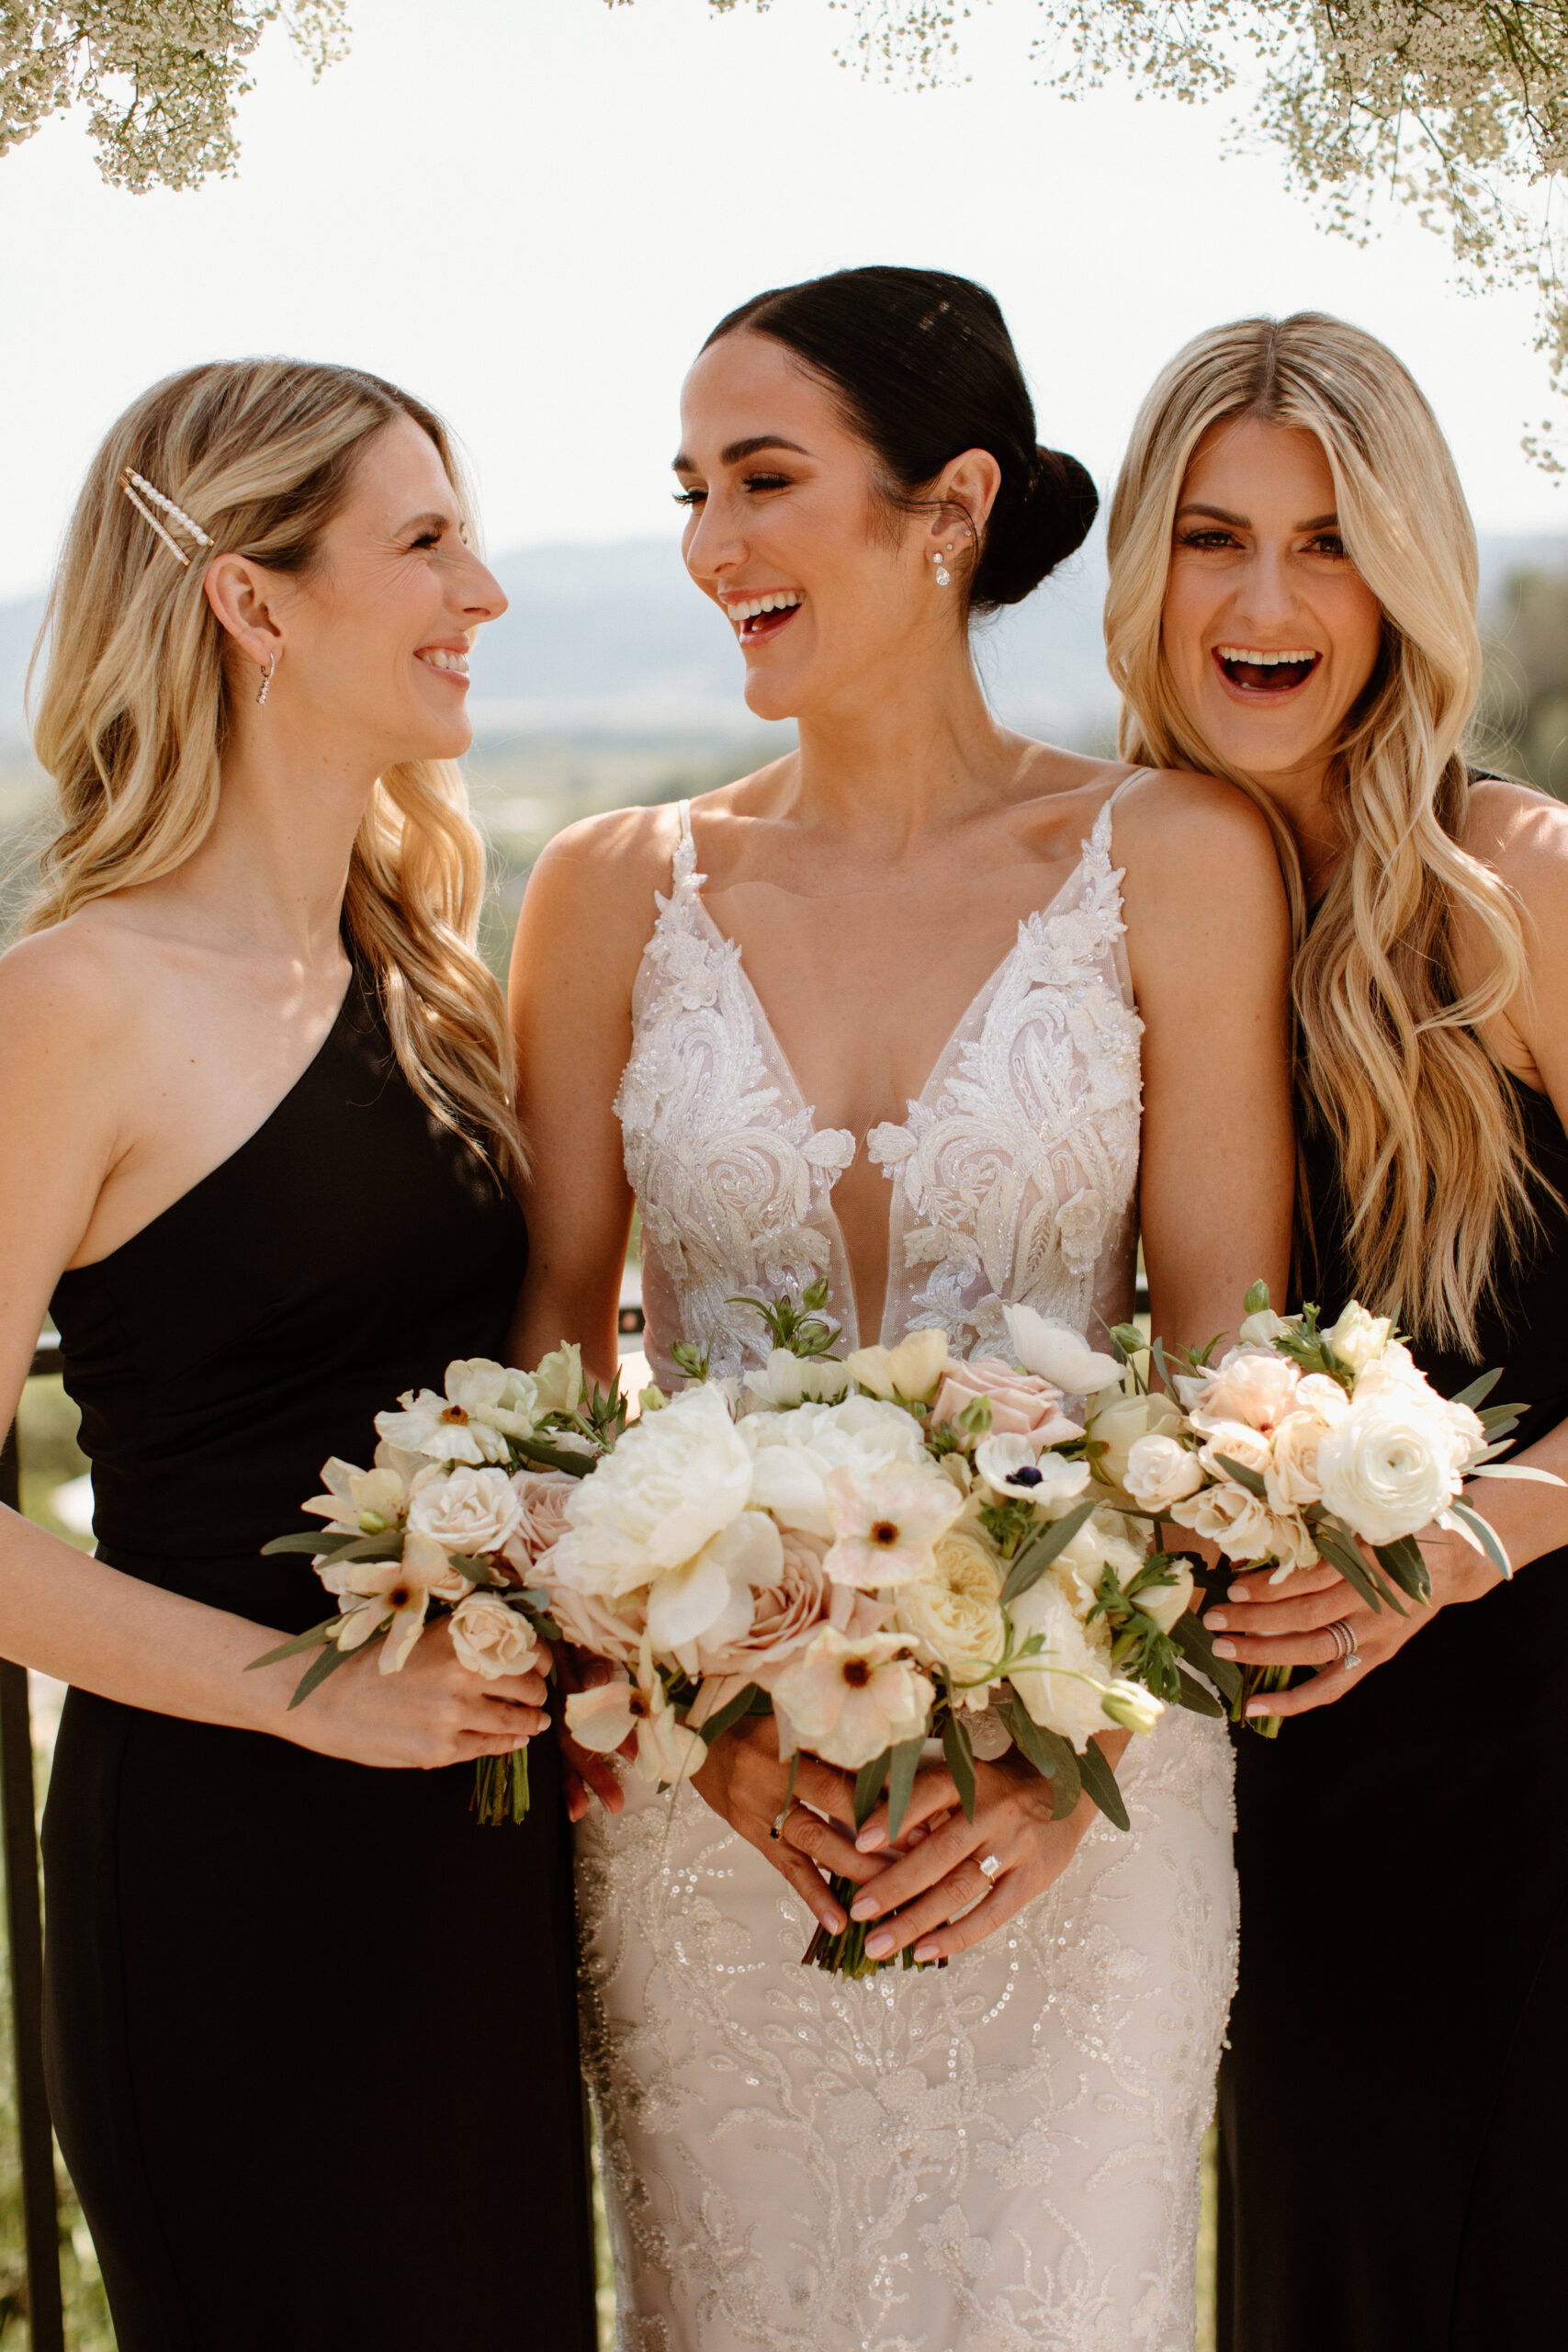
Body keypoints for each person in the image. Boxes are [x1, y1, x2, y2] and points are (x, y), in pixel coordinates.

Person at [510, 266, 1293, 2350]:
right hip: (713, 1821)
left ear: (947, 506)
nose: (709, 546)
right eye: (688, 490)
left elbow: (1232, 1377)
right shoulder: (606, 885)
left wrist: (1074, 1744)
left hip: (1082, 1807)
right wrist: (696, 1709)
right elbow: (544, 1376)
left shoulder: (1174, 854)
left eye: (764, 480)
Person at [0, 360, 595, 2351]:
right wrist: (309, 1695)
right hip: (227, 1879)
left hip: (475, 1874)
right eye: (423, 542)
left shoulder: (422, 967)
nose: (483, 591)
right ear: (250, 600)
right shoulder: (68, 1001)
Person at [1105, 311, 1568, 2352]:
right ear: (1142, 569)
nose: (1266, 598)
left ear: (1404, 576)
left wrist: (1466, 1538)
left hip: (1534, 1763)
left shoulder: (1515, 884)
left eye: (1326, 539)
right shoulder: (1090, 902)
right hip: (1274, 1798)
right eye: (1211, 536)